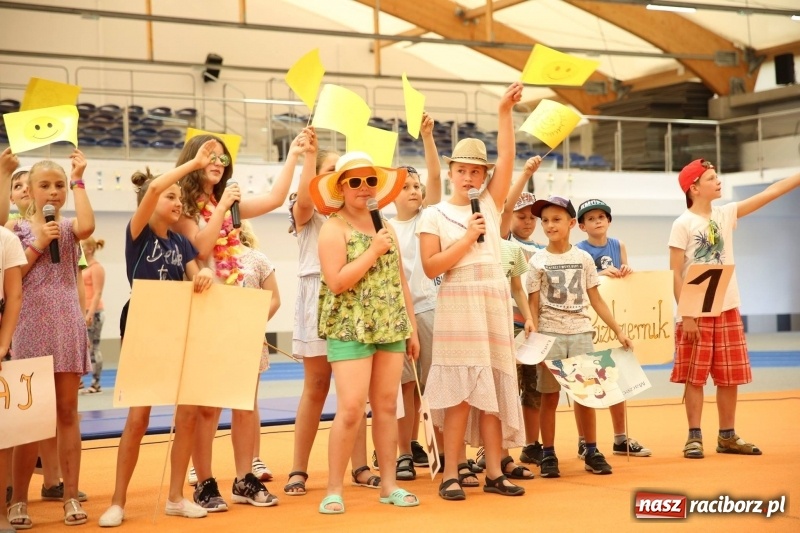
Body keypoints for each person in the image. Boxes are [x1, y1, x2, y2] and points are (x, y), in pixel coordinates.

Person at [174, 131, 306, 510]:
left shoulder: (227, 205)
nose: (217, 161)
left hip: (239, 318)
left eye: (222, 156)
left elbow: (276, 199)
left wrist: (293, 155)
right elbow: (199, 245)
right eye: (209, 155)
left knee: (245, 403)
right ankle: (205, 482)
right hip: (206, 314)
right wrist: (222, 207)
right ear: (193, 159)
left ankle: (245, 479)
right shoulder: (182, 208)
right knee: (209, 406)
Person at [98, 143, 218, 527]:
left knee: (185, 416)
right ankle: (118, 501)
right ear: (151, 203)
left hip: (177, 328)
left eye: (181, 198)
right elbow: (151, 191)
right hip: (143, 324)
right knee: (139, 417)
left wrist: (204, 274)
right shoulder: (138, 235)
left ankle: (176, 496)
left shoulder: (179, 241)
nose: (178, 201)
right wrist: (193, 166)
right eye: (171, 196)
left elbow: (197, 270)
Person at [418, 82, 526, 501]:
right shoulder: (434, 214)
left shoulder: (492, 204)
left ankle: (495, 472)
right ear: (450, 172)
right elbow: (431, 268)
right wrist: (465, 240)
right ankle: (449, 472)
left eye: (476, 171)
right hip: (458, 302)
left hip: (493, 300)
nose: (469, 177)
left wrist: (504, 111)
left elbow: (509, 156)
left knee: (495, 389)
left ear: (484, 175)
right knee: (460, 389)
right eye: (461, 170)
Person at [669, 160, 799, 459]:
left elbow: (771, 191)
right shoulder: (682, 224)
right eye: (712, 178)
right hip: (696, 311)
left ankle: (727, 436)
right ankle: (694, 436)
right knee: (695, 376)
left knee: (730, 375)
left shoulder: (725, 214)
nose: (718, 182)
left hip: (727, 306)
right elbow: (675, 273)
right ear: (694, 187)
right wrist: (687, 314)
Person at [313, 151, 420, 514]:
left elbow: (400, 280)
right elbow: (337, 281)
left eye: (370, 180)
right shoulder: (333, 227)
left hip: (390, 325)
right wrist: (373, 251)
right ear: (341, 187)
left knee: (388, 406)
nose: (363, 187)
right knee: (352, 408)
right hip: (349, 328)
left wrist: (412, 329)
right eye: (354, 181)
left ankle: (389, 484)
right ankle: (333, 489)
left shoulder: (385, 225)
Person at [284, 137, 378, 497]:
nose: (339, 178)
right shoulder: (307, 211)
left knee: (356, 392)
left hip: (355, 298)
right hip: (316, 297)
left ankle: (360, 466)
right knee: (317, 386)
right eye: (331, 170)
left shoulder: (357, 214)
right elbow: (306, 200)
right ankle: (299, 469)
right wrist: (309, 157)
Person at [8, 150, 94, 527]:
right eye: (45, 185)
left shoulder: (71, 227)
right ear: (29, 189)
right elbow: (12, 279)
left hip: (67, 327)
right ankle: (18, 501)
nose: (53, 192)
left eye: (59, 186)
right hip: (30, 329)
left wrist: (79, 178)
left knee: (67, 414)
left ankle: (71, 497)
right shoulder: (16, 231)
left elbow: (89, 226)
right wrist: (37, 242)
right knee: (30, 420)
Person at [526, 195, 633, 479]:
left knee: (586, 396)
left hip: (581, 334)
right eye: (545, 221)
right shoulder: (537, 260)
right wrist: (534, 335)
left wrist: (618, 329)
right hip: (550, 336)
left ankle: (591, 450)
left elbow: (596, 300)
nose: (550, 225)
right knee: (548, 398)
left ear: (572, 223)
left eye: (557, 220)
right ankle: (548, 453)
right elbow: (533, 304)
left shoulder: (583, 258)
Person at [387, 112, 443, 481]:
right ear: (391, 192)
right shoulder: (383, 226)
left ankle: (443, 450)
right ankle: (404, 453)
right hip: (396, 316)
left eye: (416, 186)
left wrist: (427, 138)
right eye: (406, 186)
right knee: (404, 387)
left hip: (429, 310)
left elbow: (437, 178)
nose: (415, 191)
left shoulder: (428, 219)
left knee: (435, 383)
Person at [575, 199, 652, 458]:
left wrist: (626, 270)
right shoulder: (579, 250)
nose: (598, 221)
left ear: (608, 220)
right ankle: (584, 440)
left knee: (618, 378)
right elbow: (580, 285)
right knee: (585, 382)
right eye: (591, 218)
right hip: (589, 323)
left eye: (601, 216)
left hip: (614, 320)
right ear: (582, 226)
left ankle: (620, 438)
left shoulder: (618, 245)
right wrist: (599, 275)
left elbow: (623, 280)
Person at [237, 220, 281, 482]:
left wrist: (254, 322)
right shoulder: (206, 257)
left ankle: (254, 458)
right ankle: (198, 463)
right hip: (215, 339)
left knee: (248, 401)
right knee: (207, 404)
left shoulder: (257, 259)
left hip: (250, 339)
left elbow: (274, 297)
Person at [0, 148, 24, 533]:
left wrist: (4, 346)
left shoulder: (6, 238)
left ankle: (2, 510)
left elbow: (14, 297)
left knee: (3, 433)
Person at [81, 236, 106, 393]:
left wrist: (90, 313)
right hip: (83, 310)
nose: (80, 249)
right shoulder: (82, 266)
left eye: (82, 246)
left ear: (90, 249)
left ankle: (96, 383)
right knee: (82, 347)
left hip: (94, 312)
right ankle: (79, 382)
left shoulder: (96, 268)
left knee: (93, 347)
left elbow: (97, 292)